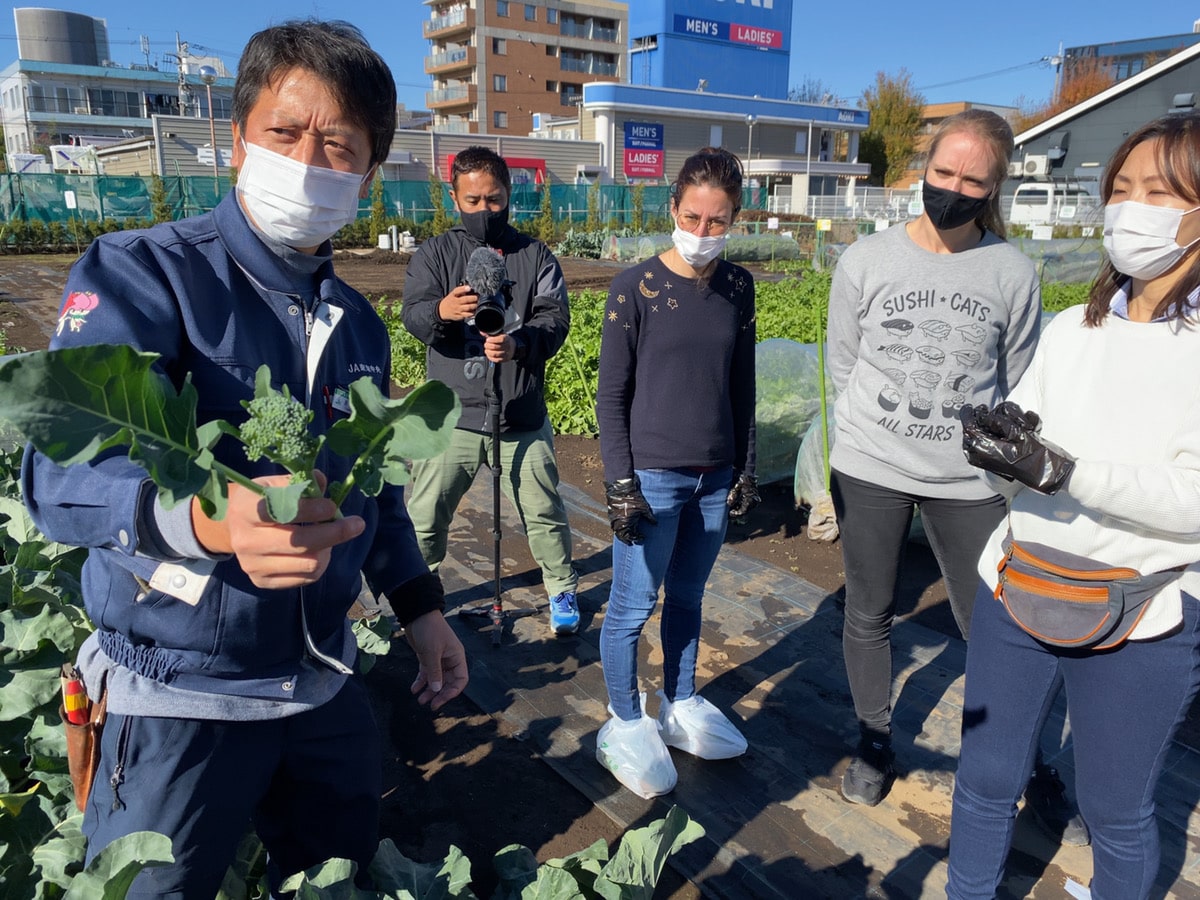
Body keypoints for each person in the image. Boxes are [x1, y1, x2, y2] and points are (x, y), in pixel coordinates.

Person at [22, 20, 468, 896]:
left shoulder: (360, 328)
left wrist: (420, 607)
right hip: (174, 697)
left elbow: (369, 492)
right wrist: (196, 520)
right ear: (237, 142)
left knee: (339, 881)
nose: (309, 159)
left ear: (368, 176)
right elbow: (54, 473)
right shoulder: (143, 276)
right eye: (285, 132)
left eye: (339, 144)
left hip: (321, 687)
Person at [947, 112, 1200, 899]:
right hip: (1017, 585)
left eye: (1157, 191)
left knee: (1116, 809)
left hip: (1144, 612)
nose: (1131, 209)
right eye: (1120, 189)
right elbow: (1028, 458)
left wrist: (1065, 473)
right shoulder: (1072, 329)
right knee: (984, 779)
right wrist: (1001, 456)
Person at [826, 109, 1085, 840]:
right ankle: (875, 740)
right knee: (869, 612)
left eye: (974, 180)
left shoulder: (1010, 271)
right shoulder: (866, 260)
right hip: (872, 467)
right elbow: (844, 360)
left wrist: (998, 465)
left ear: (995, 186)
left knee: (999, 629)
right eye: (943, 173)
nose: (954, 189)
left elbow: (1021, 380)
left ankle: (1026, 762)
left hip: (967, 481)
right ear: (923, 169)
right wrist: (864, 431)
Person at [593, 147, 759, 798]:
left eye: (717, 221)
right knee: (632, 607)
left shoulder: (737, 288)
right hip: (653, 474)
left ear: (735, 219)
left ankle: (680, 700)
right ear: (673, 208)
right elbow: (611, 396)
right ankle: (624, 719)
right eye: (692, 216)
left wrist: (744, 464)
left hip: (712, 474)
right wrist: (619, 482)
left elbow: (741, 381)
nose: (702, 232)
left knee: (688, 596)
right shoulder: (633, 288)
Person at [401, 146, 580, 635]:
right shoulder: (435, 254)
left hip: (519, 413)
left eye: (495, 200)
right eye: (473, 200)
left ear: (509, 195)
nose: (484, 210)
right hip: (451, 417)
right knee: (425, 517)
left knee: (544, 513)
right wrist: (441, 312)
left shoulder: (535, 255)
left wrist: (519, 344)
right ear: (454, 196)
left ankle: (561, 589)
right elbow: (412, 315)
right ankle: (414, 595)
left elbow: (555, 320)